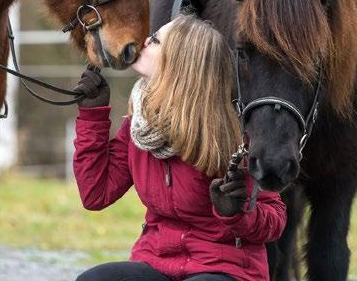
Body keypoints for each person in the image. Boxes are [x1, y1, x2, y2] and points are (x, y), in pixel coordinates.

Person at [72, 14, 286, 281]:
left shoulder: (236, 133)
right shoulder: (141, 124)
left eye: (157, 40)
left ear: (181, 63)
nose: (145, 41)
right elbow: (96, 194)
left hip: (225, 268)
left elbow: (275, 221)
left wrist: (238, 212)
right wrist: (93, 115)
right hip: (157, 262)